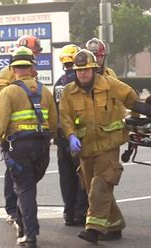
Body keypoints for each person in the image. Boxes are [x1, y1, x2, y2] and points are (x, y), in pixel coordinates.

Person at [59, 49, 139, 243]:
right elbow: (66, 117)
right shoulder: (69, 92)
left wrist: (136, 121)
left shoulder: (108, 84)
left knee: (100, 185)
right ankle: (115, 224)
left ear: (94, 69)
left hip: (109, 145)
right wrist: (70, 136)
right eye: (79, 70)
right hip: (85, 149)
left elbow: (131, 97)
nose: (82, 74)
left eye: (86, 70)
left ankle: (93, 230)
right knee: (90, 188)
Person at [0, 46, 57, 247]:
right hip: (42, 147)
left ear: (13, 69)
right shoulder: (45, 91)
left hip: (18, 147)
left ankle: (30, 234)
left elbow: (0, 123)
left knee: (25, 189)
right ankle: (22, 223)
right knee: (27, 187)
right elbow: (53, 122)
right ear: (32, 67)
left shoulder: (8, 91)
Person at [0, 35, 43, 225]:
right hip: (13, 133)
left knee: (24, 177)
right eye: (35, 51)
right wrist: (16, 88)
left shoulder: (30, 68)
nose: (37, 54)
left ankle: (21, 210)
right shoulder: (10, 70)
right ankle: (12, 210)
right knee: (12, 173)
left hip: (30, 132)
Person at [53, 44, 89, 226]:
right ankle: (81, 212)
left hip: (61, 137)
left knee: (66, 176)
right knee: (82, 174)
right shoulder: (79, 82)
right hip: (77, 135)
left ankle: (69, 212)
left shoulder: (58, 83)